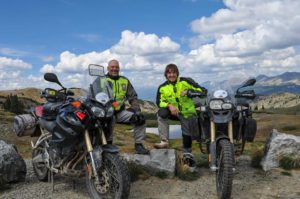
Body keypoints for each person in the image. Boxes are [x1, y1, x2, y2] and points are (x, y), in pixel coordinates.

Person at [91, 59, 149, 155]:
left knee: (140, 119)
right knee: (110, 120)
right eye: (112, 67)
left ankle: (139, 145)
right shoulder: (101, 80)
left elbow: (133, 97)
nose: (115, 69)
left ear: (119, 68)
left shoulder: (124, 81)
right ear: (108, 68)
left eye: (116, 67)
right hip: (105, 112)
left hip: (120, 112)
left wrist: (137, 111)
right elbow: (93, 94)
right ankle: (108, 145)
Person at [154, 63, 207, 166]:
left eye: (174, 72)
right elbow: (158, 102)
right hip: (175, 113)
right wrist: (169, 105)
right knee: (161, 113)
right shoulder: (162, 87)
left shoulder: (185, 81)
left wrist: (189, 91)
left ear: (177, 73)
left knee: (192, 136)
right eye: (169, 73)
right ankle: (164, 141)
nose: (171, 75)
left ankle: (188, 155)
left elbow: (203, 91)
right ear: (166, 75)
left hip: (188, 113)